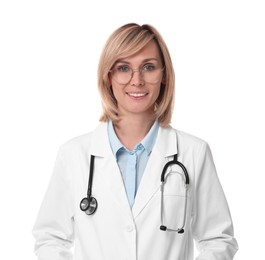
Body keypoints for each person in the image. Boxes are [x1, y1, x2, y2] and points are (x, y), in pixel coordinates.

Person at [32, 23, 238, 260]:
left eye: (148, 67)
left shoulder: (193, 152)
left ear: (164, 76)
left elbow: (218, 240)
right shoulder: (74, 154)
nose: (136, 80)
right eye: (123, 68)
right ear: (108, 77)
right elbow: (50, 238)